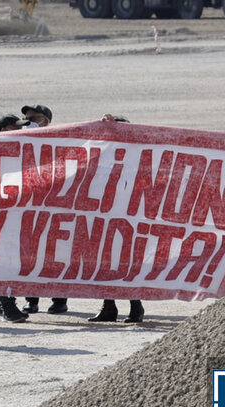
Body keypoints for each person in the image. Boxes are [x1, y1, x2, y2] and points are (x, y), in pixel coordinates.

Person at [88, 113, 144, 324]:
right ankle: (108, 306)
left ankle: (136, 306)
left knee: (127, 262)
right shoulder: (103, 154)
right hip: (104, 215)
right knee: (104, 262)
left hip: (129, 216)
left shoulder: (140, 153)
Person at [18, 103, 68, 315]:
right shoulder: (21, 141)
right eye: (27, 118)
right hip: (29, 206)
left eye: (34, 118)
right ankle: (32, 299)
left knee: (56, 255)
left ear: (46, 120)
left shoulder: (61, 141)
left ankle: (59, 299)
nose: (28, 122)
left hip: (55, 207)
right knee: (29, 255)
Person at [0, 115, 31, 323]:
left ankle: (4, 303)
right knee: (3, 261)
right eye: (13, 127)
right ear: (2, 129)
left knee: (13, 262)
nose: (18, 130)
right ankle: (7, 306)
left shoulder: (20, 148)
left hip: (15, 216)